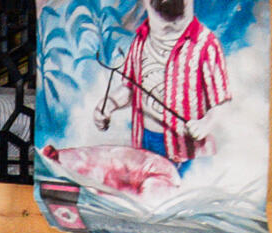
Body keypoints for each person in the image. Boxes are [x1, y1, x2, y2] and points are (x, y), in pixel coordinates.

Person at [93, 0, 232, 170]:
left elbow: (222, 101)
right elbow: (130, 89)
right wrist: (108, 105)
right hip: (144, 144)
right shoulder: (140, 42)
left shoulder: (207, 45)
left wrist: (205, 123)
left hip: (187, 154)